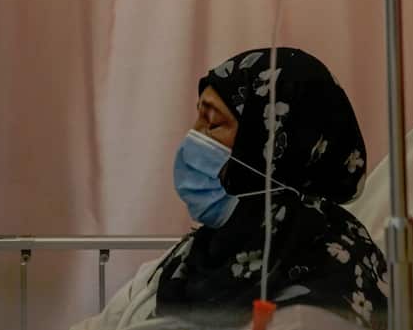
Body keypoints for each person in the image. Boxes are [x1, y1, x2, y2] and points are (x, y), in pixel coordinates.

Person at [73, 48, 388, 330]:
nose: (192, 139)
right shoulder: (198, 254)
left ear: (267, 145)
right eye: (198, 118)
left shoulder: (323, 289)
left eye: (213, 124)